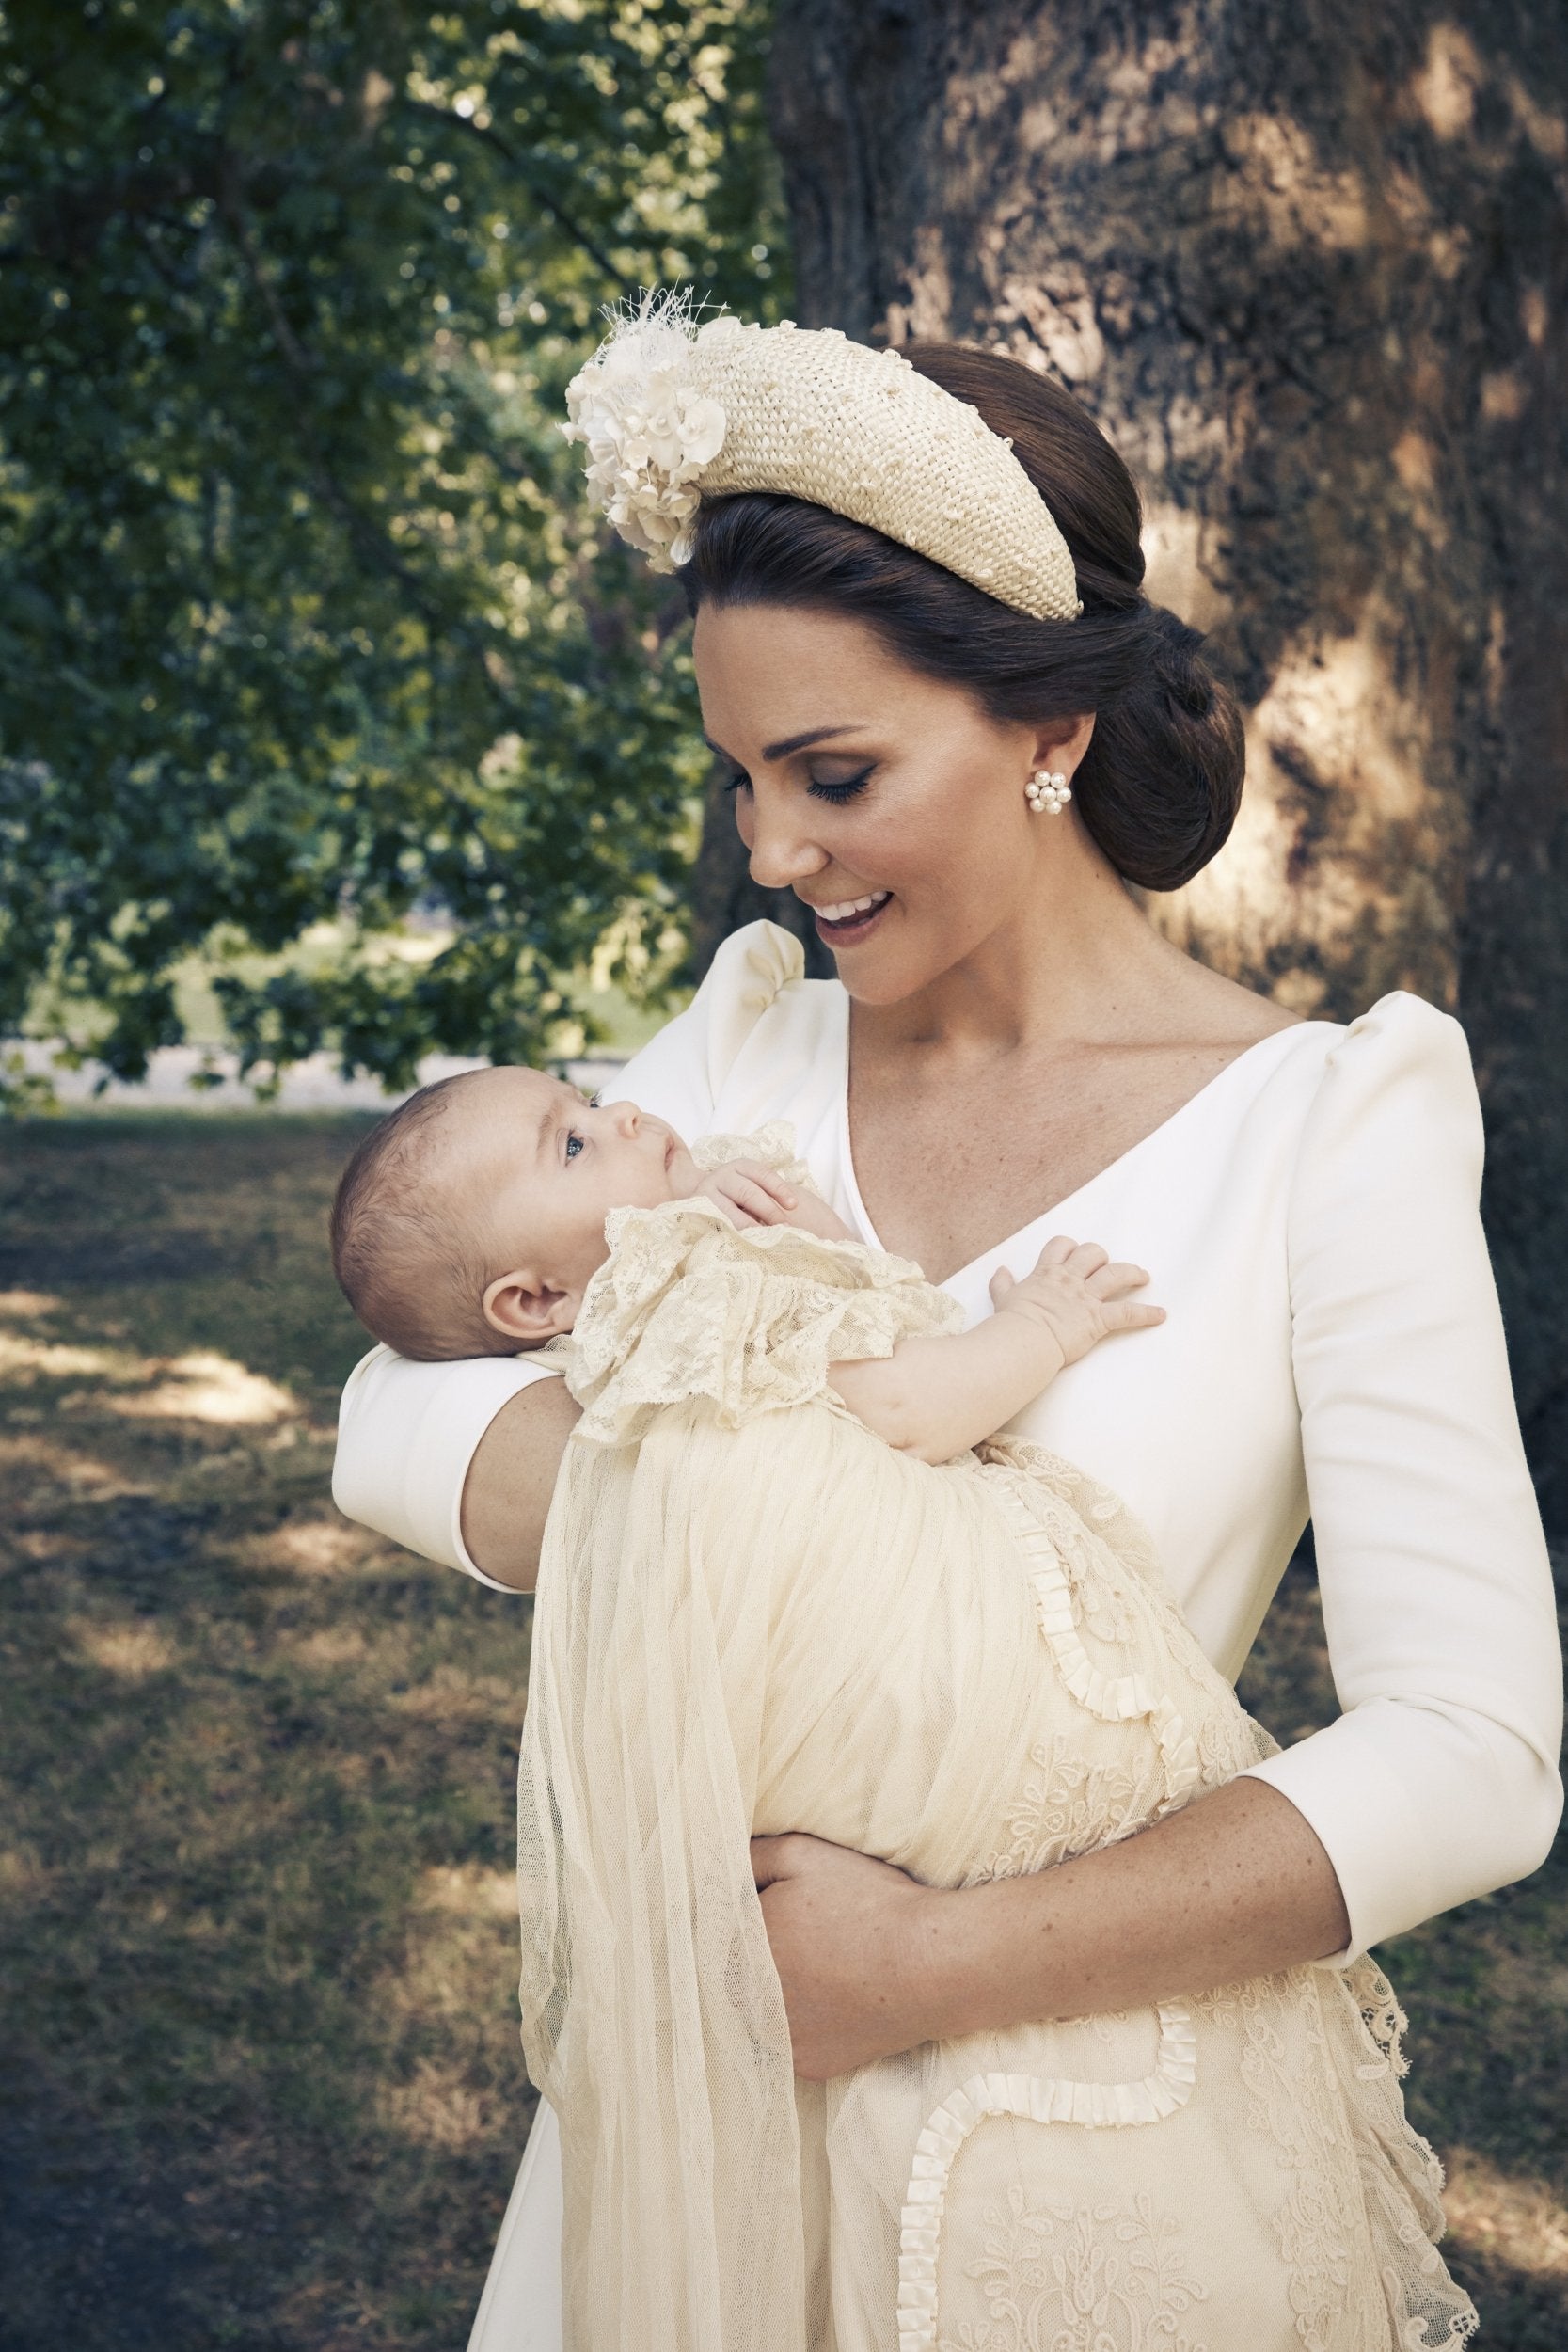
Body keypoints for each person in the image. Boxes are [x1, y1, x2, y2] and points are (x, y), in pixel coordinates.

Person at [330, 294, 1563, 2350]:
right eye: (740, 778)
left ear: (1047, 729)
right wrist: (780, 1481)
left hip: (1090, 2153)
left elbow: (1477, 1752)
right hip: (687, 2174)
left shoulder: (1323, 1126)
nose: (773, 853)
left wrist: (933, 1963)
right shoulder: (741, 1065)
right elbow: (390, 1404)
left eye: (831, 772)